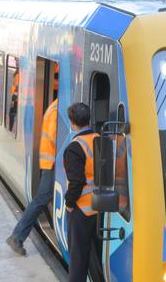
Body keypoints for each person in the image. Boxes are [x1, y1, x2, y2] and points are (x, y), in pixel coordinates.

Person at [6, 98, 58, 255]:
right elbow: (59, 140)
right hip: (53, 165)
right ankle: (16, 237)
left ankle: (17, 236)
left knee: (40, 201)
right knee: (40, 201)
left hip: (52, 164)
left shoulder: (55, 107)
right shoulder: (57, 111)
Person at [64, 102, 101, 282]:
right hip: (101, 208)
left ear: (72, 122)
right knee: (97, 257)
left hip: (81, 211)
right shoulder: (101, 140)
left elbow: (76, 182)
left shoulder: (74, 147)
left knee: (78, 259)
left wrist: (69, 204)